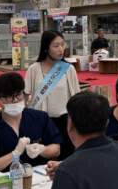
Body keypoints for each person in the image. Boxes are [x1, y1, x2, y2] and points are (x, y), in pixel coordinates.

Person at [0, 72, 61, 170]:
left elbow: (56, 149)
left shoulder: (40, 118)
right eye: (9, 97)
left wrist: (42, 149)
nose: (15, 100)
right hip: (7, 178)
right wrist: (15, 154)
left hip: (41, 174)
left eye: (18, 95)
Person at [25, 30, 80, 160]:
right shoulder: (34, 69)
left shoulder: (68, 69)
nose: (61, 49)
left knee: (66, 158)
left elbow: (77, 98)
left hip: (64, 122)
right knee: (42, 159)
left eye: (62, 45)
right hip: (41, 123)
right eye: (56, 46)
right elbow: (25, 95)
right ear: (46, 48)